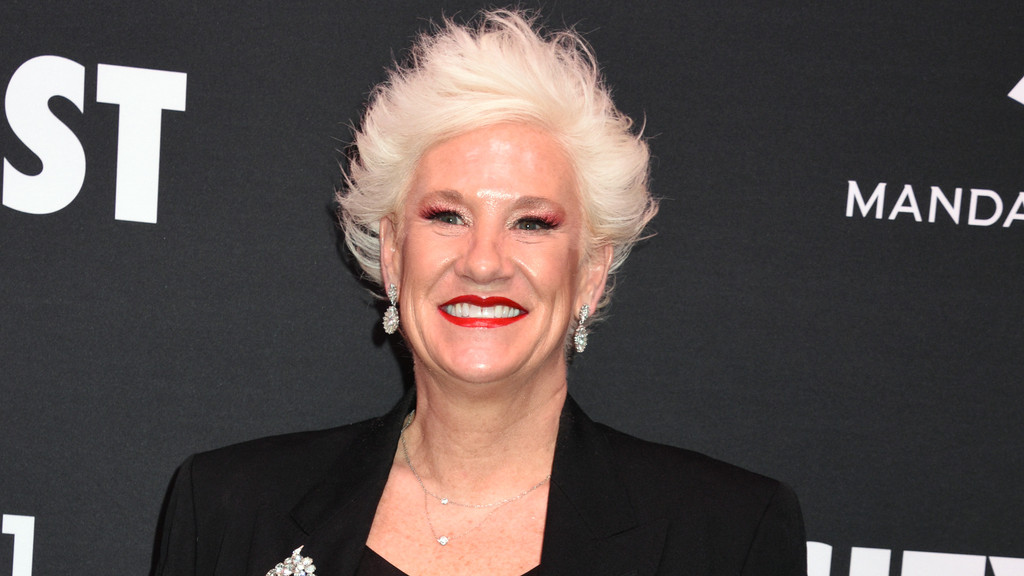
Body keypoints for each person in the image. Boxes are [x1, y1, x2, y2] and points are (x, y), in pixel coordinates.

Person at [152, 9, 806, 576]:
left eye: (532, 223)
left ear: (591, 271)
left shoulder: (725, 536)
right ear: (392, 254)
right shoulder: (229, 510)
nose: (484, 263)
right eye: (447, 216)